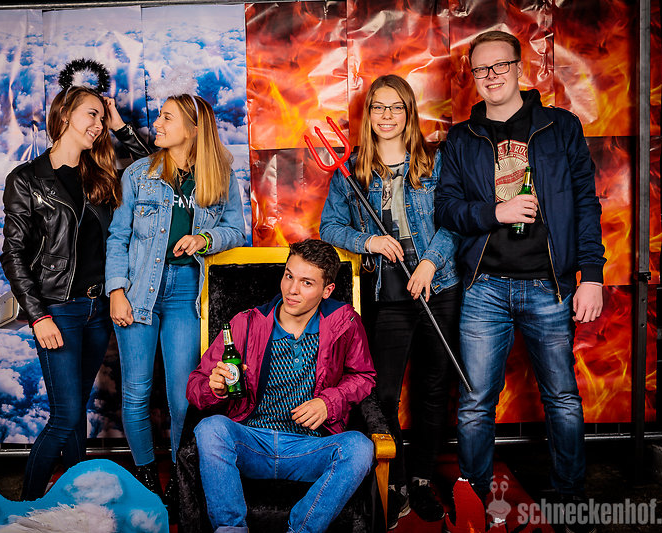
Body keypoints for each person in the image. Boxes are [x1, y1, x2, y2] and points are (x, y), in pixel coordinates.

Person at [434, 30, 605, 533]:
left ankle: (570, 500)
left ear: (518, 67)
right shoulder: (462, 138)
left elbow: (586, 202)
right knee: (474, 404)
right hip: (485, 286)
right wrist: (497, 212)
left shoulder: (560, 127)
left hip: (549, 286)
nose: (491, 77)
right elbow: (447, 209)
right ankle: (473, 500)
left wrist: (592, 276)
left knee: (563, 400)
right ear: (473, 76)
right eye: (481, 69)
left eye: (500, 66)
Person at [320, 74, 461, 527]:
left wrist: (431, 263)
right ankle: (395, 478)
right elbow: (330, 227)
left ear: (409, 113)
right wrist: (370, 241)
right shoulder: (352, 170)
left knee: (433, 388)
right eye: (378, 106)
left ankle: (421, 478)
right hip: (388, 294)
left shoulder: (434, 162)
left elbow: (454, 221)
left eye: (396, 107)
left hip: (438, 287)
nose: (386, 115)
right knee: (382, 393)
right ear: (368, 114)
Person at [1, 85, 148, 500]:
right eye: (91, 114)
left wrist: (120, 126)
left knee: (76, 410)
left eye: (102, 117)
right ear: (64, 116)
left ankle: (73, 500)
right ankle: (28, 506)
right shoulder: (26, 179)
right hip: (58, 311)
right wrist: (39, 316)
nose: (98, 124)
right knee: (65, 417)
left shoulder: (100, 174)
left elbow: (154, 168)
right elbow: (13, 254)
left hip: (98, 310)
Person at [105, 94, 246, 496]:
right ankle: (148, 477)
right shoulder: (138, 173)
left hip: (187, 291)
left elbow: (237, 231)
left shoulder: (218, 177)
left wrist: (205, 238)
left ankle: (180, 480)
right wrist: (116, 290)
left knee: (183, 397)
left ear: (193, 129)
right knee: (136, 393)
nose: (158, 124)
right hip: (138, 291)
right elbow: (118, 237)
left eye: (167, 118)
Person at [186, 239, 376, 533]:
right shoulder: (246, 323)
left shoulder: (345, 322)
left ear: (327, 290)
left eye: (306, 283)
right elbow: (196, 384)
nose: (292, 289)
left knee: (360, 447)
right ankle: (231, 530)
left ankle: (301, 530)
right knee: (210, 429)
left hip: (309, 446)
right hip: (252, 441)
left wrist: (328, 403)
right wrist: (215, 388)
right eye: (289, 276)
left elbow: (363, 376)